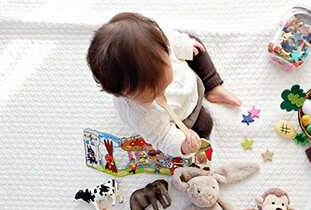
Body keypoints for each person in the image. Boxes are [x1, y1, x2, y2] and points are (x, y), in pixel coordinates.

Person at [87, 13, 241, 158]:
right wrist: (183, 146)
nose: (163, 92)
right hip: (182, 113)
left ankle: (213, 86)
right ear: (123, 95)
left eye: (165, 83)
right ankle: (190, 134)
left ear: (164, 51)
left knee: (195, 46)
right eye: (153, 95)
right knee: (205, 125)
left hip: (189, 79)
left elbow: (172, 39)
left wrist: (184, 45)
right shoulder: (140, 116)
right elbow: (162, 137)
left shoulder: (157, 40)